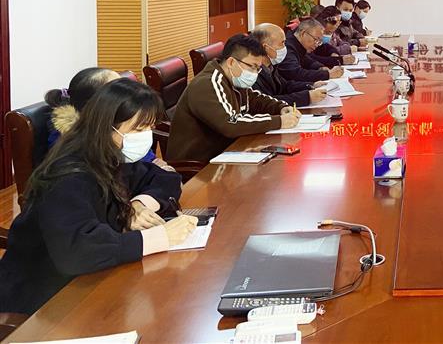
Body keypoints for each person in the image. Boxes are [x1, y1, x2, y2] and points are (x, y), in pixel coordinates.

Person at [0, 79, 197, 315]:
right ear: (106, 127)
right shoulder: (67, 175)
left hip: (91, 278)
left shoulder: (110, 156)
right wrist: (160, 237)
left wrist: (137, 205)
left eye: (149, 128)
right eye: (138, 130)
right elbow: (77, 251)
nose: (146, 137)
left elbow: (166, 178)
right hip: (43, 296)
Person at [167, 34, 302, 164]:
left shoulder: (235, 79)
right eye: (253, 67)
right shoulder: (208, 84)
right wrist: (279, 121)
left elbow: (255, 99)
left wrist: (281, 107)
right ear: (231, 62)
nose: (255, 73)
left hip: (228, 151)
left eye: (258, 68)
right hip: (200, 163)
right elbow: (230, 123)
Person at [47, 68, 161, 165]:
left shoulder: (125, 126)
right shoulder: (70, 148)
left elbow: (148, 160)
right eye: (117, 91)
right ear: (99, 103)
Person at [250, 23, 329, 107]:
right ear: (266, 47)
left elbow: (285, 86)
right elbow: (265, 102)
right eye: (282, 43)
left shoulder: (271, 66)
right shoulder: (251, 73)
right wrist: (307, 97)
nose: (285, 47)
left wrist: (312, 85)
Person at [279, 18, 345, 83]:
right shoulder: (287, 46)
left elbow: (306, 60)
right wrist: (327, 74)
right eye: (316, 40)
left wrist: (320, 67)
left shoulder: (298, 44)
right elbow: (294, 73)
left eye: (319, 42)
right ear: (303, 33)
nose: (317, 45)